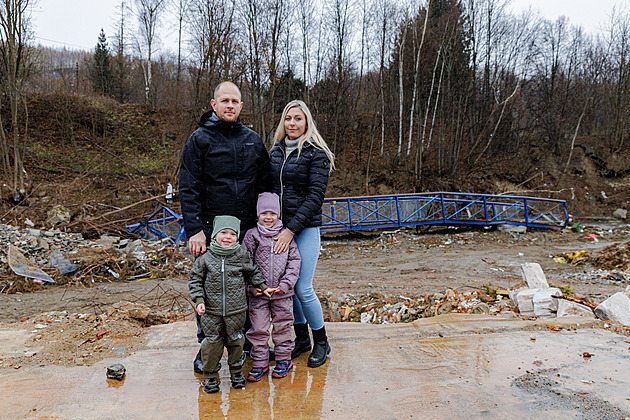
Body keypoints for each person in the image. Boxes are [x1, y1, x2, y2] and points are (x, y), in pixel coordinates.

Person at [180, 81, 271, 373]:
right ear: (214, 104)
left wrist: (266, 226)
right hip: (209, 230)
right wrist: (194, 229)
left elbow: (265, 184)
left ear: (241, 106)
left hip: (246, 229)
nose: (230, 105)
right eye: (225, 100)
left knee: (242, 286)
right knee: (208, 288)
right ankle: (207, 347)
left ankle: (242, 343)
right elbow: (189, 186)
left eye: (235, 101)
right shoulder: (199, 139)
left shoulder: (252, 140)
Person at [269, 100, 335, 368]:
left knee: (302, 287)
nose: (292, 124)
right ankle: (301, 340)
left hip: (304, 229)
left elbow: (315, 196)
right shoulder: (274, 151)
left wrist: (291, 230)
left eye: (298, 119)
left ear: (307, 123)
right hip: (278, 229)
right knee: (287, 288)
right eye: (288, 119)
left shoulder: (315, 153)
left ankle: (321, 342)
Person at [188, 215, 272, 393]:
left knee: (236, 341)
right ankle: (210, 377)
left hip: (237, 310)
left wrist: (262, 286)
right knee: (212, 343)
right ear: (215, 235)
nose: (228, 237)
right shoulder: (206, 257)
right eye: (223, 233)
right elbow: (195, 280)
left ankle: (236, 373)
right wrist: (199, 300)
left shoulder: (241, 254)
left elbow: (252, 271)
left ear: (237, 236)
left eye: (232, 234)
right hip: (211, 311)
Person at [243, 192, 301, 381]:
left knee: (282, 327)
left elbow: (294, 261)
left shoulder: (285, 236)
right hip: (258, 294)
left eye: (272, 214)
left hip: (282, 293)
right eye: (264, 213)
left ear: (278, 215)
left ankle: (284, 359)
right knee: (258, 329)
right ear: (258, 215)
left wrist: (285, 284)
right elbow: (245, 264)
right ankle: (260, 363)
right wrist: (252, 287)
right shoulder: (252, 236)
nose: (268, 218)